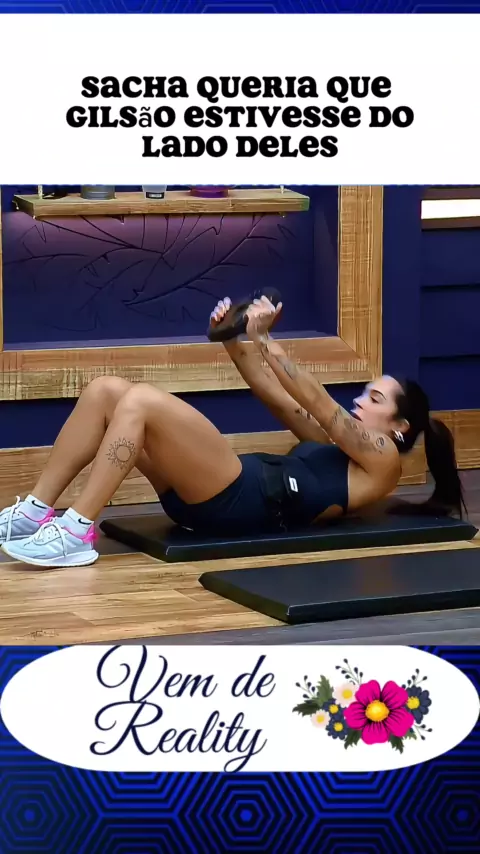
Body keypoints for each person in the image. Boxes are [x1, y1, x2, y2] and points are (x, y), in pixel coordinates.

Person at [0, 296, 465, 569]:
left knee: (140, 400)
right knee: (106, 390)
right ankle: (35, 511)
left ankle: (76, 532)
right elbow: (274, 394)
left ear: (400, 427)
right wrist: (232, 336)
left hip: (239, 501)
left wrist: (266, 339)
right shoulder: (336, 446)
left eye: (375, 400)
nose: (361, 402)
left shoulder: (383, 460)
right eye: (365, 394)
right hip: (218, 494)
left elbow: (322, 404)